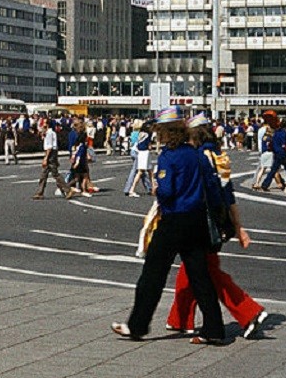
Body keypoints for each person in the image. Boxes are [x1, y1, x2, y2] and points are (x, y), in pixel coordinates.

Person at [112, 106, 225, 345]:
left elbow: (167, 191)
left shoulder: (168, 157)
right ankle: (214, 327)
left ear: (166, 133)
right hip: (196, 221)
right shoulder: (197, 154)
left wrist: (157, 187)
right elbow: (212, 188)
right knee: (199, 275)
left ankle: (137, 325)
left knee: (152, 275)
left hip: (173, 220)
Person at [165, 113, 268, 340]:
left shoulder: (198, 156)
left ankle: (248, 310)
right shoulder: (218, 155)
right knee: (191, 270)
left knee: (207, 273)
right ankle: (179, 319)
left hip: (200, 221)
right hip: (219, 221)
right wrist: (238, 226)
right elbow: (228, 194)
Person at [32, 120, 76, 200]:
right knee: (44, 174)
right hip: (52, 154)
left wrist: (46, 158)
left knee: (55, 174)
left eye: (44, 123)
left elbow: (49, 147)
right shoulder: (50, 133)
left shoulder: (49, 133)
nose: (42, 125)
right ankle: (40, 192)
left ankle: (68, 189)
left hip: (50, 154)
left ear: (47, 125)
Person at [127, 124, 154, 198]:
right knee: (142, 172)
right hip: (145, 153)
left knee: (149, 171)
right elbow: (149, 146)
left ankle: (153, 189)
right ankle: (132, 190)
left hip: (140, 152)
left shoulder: (140, 134)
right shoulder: (148, 134)